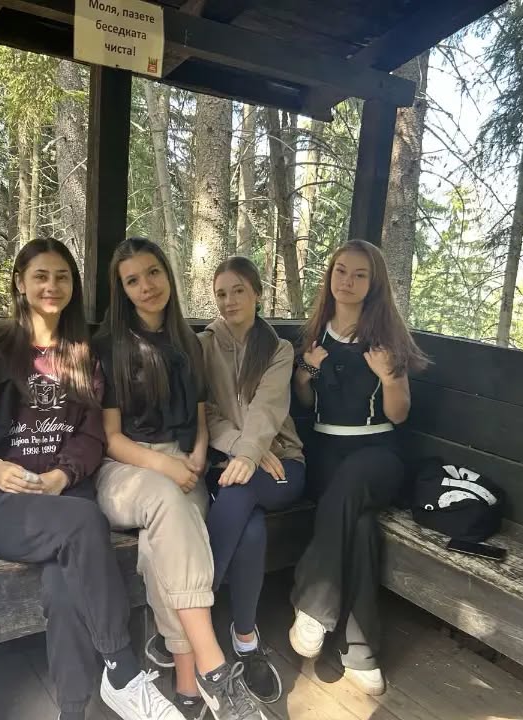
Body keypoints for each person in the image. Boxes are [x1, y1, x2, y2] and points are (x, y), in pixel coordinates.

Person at [0, 238, 184, 720]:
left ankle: (71, 710)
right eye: (41, 276)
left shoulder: (83, 356)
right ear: (20, 283)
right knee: (86, 523)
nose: (52, 286)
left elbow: (92, 435)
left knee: (65, 589)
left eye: (62, 277)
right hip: (5, 500)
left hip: (65, 493)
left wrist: (61, 475)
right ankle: (122, 669)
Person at [93, 238, 267, 720]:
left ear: (167, 274)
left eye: (153, 273)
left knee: (163, 546)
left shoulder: (188, 342)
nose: (146, 286)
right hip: (125, 469)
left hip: (181, 464)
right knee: (168, 507)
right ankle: (215, 669)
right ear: (122, 290)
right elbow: (110, 438)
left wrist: (195, 454)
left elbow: (200, 416)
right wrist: (168, 467)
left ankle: (189, 691)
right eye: (133, 280)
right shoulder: (108, 347)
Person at [287, 239, 428, 696]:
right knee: (361, 525)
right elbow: (305, 402)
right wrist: (307, 372)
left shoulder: (385, 341)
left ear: (374, 284)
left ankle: (312, 605)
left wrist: (389, 376)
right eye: (340, 271)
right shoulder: (315, 336)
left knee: (350, 488)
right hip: (326, 451)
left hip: (378, 453)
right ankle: (360, 652)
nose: (347, 281)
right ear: (330, 276)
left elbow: (399, 414)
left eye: (359, 274)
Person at [191, 256, 305, 704]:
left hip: (282, 465)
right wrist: (244, 450)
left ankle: (192, 613)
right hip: (232, 462)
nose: (229, 300)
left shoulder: (278, 349)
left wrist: (253, 453)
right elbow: (205, 412)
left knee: (239, 492)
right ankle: (244, 639)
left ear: (257, 292)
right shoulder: (203, 346)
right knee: (250, 528)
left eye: (238, 290)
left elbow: (267, 408)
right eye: (221, 293)